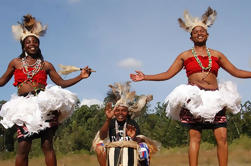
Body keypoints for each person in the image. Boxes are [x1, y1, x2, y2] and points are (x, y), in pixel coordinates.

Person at [130, 7, 251, 166]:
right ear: (191, 37)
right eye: (195, 32)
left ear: (207, 35)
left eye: (202, 31)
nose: (199, 33)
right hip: (194, 99)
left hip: (215, 98)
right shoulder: (185, 55)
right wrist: (146, 77)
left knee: (221, 137)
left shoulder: (217, 54)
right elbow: (168, 74)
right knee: (195, 137)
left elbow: (235, 71)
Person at [0, 14, 93, 166]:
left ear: (38, 45)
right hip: (22, 107)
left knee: (47, 144)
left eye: (35, 42)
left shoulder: (46, 65)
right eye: (28, 42)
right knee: (23, 146)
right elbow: (2, 82)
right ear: (23, 46)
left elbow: (61, 83)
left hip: (44, 105)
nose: (32, 44)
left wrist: (80, 76)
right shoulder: (15, 63)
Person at [93, 82, 155, 166]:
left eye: (123, 110)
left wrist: (133, 137)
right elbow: (102, 136)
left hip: (129, 154)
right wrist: (108, 119)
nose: (120, 113)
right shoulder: (111, 123)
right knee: (99, 147)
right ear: (114, 112)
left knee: (144, 148)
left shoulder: (131, 123)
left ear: (127, 112)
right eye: (117, 110)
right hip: (112, 151)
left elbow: (140, 140)